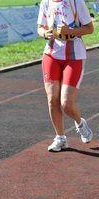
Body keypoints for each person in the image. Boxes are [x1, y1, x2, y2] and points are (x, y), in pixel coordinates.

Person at [37, 0, 94, 152]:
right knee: (52, 100)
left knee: (66, 103)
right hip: (51, 55)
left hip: (74, 56)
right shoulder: (46, 2)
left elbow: (90, 28)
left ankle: (80, 123)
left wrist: (70, 31)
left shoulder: (76, 2)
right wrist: (45, 34)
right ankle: (61, 138)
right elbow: (40, 28)